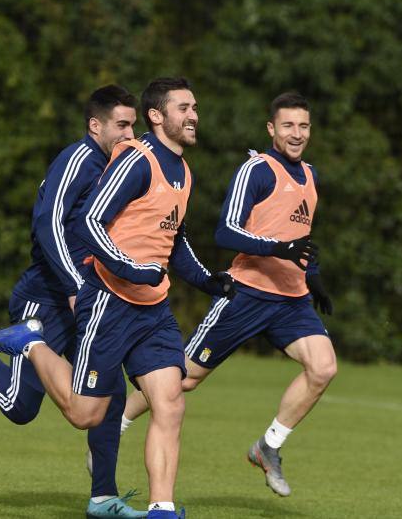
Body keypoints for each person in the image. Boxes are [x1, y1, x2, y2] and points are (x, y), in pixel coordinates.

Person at [0, 77, 235, 519]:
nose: (193, 115)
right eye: (183, 108)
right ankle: (30, 342)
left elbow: (173, 240)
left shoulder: (184, 171)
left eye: (195, 107)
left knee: (171, 400)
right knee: (85, 414)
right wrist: (130, 269)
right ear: (158, 117)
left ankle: (161, 508)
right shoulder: (137, 161)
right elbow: (90, 223)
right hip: (110, 302)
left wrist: (211, 281)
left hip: (153, 308)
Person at [0, 85, 151, 518]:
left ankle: (103, 497)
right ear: (94, 125)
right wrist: (72, 283)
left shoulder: (123, 165)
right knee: (20, 407)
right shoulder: (78, 160)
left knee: (111, 392)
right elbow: (47, 225)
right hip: (45, 298)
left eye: (132, 124)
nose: (129, 132)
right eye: (121, 124)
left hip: (90, 301)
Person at [120, 91, 336, 498]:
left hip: (292, 299)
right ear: (272, 129)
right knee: (181, 379)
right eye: (288, 125)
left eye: (303, 126)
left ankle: (268, 447)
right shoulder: (257, 170)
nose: (296, 133)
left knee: (323, 368)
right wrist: (277, 247)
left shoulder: (310, 175)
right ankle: (118, 426)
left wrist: (314, 277)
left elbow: (302, 240)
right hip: (247, 295)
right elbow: (226, 231)